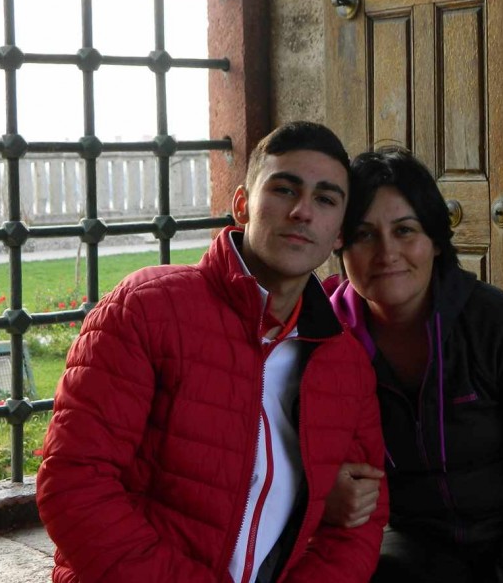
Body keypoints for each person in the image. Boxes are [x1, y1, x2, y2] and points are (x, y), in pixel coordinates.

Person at [36, 121, 388, 583]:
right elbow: (74, 484)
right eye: (284, 189)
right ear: (242, 205)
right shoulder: (148, 308)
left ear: (339, 232)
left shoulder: (345, 363)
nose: (302, 211)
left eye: (325, 199)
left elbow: (360, 522)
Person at [323, 146, 503, 582]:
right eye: (363, 234)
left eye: (405, 230)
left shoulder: (501, 328)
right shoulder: (324, 342)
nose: (386, 253)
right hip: (418, 543)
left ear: (435, 241)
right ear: (340, 245)